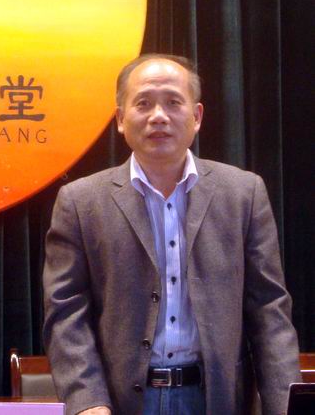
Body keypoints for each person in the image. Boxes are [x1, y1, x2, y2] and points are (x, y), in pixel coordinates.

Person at [43, 54, 301, 415]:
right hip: (122, 403)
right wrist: (88, 402)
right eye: (143, 103)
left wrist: (286, 406)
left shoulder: (243, 193)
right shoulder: (81, 201)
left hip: (215, 400)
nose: (158, 116)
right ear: (120, 119)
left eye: (173, 102)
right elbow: (66, 312)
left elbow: (269, 311)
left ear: (197, 117)